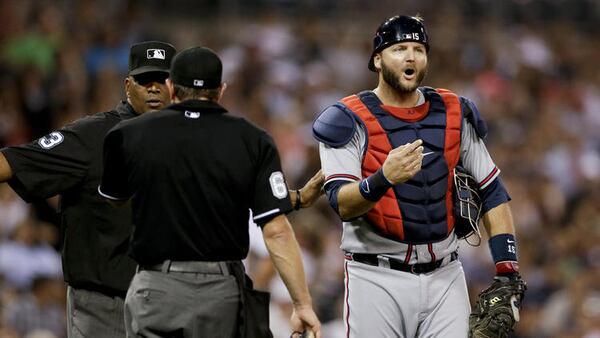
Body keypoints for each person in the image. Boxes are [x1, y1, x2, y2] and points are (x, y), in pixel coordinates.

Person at [312, 15, 523, 337]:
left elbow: (492, 190)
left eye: (418, 49)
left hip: (446, 274)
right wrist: (383, 178)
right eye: (399, 48)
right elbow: (341, 203)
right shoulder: (346, 119)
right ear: (378, 60)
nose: (410, 56)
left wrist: (507, 269)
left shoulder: (454, 111)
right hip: (376, 276)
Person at [98, 46, 321, 338]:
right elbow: (277, 230)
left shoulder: (127, 133)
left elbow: (116, 199)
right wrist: (301, 303)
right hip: (219, 291)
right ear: (221, 89)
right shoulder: (253, 139)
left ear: (170, 87)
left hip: (156, 286)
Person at [0, 40, 177, 337]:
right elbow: (10, 163)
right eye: (145, 80)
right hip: (103, 306)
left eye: (163, 79)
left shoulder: (189, 143)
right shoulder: (92, 137)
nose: (154, 88)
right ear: (127, 85)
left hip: (168, 304)